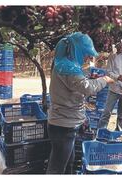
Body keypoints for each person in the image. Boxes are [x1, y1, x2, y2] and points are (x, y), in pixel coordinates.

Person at [46, 32, 114, 174]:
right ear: (76, 50)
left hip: (65, 122)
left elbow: (77, 85)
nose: (88, 57)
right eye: (86, 53)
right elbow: (87, 88)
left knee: (67, 162)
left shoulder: (65, 65)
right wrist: (104, 80)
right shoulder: (67, 68)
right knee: (57, 168)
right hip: (63, 125)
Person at [97, 38, 122, 131]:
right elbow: (108, 72)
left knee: (121, 116)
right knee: (107, 112)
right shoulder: (114, 56)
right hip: (114, 88)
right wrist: (118, 77)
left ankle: (118, 132)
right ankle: (100, 131)